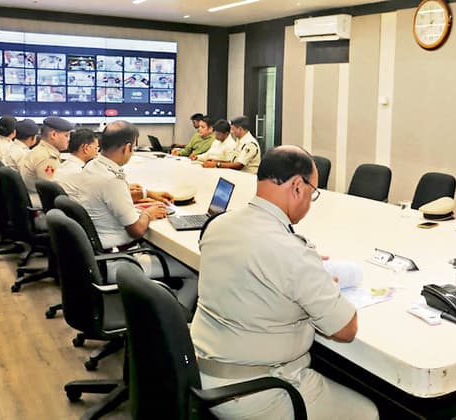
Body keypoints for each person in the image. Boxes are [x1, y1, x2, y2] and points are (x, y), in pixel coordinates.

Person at [191, 145, 379, 419]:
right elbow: (346, 330)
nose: (310, 202)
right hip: (257, 391)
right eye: (312, 193)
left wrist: (306, 270)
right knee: (368, 412)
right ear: (298, 187)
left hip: (202, 373)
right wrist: (322, 279)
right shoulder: (292, 253)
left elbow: (252, 266)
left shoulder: (219, 225)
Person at [61, 120, 194, 282]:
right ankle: (163, 299)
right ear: (127, 147)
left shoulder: (93, 166)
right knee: (192, 272)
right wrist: (148, 213)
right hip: (119, 260)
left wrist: (146, 194)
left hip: (100, 254)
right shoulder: (111, 179)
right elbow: (136, 230)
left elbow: (109, 198)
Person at [19, 116, 73, 204]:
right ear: (53, 135)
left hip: (31, 199)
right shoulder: (47, 157)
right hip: (40, 204)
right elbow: (51, 190)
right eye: (66, 135)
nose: (68, 139)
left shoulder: (39, 150)